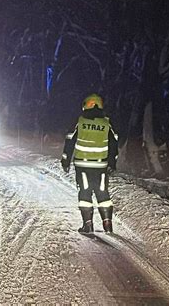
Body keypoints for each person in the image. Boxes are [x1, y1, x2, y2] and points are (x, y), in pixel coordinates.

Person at [61, 93, 119, 233]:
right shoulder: (107, 123)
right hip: (101, 165)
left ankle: (88, 225)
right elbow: (114, 143)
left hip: (83, 165)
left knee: (85, 193)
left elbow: (70, 140)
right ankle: (108, 225)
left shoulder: (79, 121)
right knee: (103, 193)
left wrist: (65, 160)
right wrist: (112, 162)